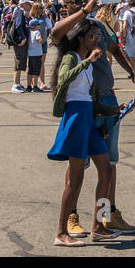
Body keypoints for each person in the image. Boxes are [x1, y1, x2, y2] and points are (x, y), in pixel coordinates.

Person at [49, 0, 135, 237]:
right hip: (83, 105)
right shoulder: (69, 32)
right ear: (67, 6)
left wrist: (133, 73)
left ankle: (105, 218)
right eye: (80, 1)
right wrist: (85, 10)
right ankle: (71, 219)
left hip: (104, 98)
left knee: (108, 163)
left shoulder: (97, 25)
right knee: (78, 167)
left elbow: (115, 49)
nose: (87, 3)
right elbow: (54, 34)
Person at [47, 20, 120, 246]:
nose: (96, 40)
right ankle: (61, 233)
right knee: (76, 178)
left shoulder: (89, 63)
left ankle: (98, 225)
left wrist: (115, 110)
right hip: (76, 118)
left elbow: (90, 99)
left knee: (106, 170)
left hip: (88, 115)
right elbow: (64, 80)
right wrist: (88, 61)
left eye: (98, 36)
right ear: (80, 38)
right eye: (91, 37)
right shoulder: (72, 57)